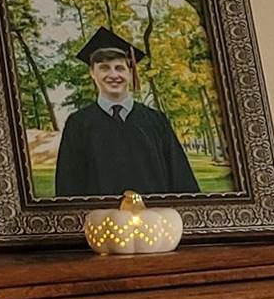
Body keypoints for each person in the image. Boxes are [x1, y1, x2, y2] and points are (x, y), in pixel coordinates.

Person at [51, 26, 201, 197]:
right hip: (101, 221)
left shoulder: (155, 120)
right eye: (104, 68)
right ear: (92, 72)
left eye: (120, 68)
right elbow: (68, 185)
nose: (113, 74)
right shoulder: (78, 123)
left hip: (156, 219)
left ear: (130, 73)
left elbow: (181, 179)